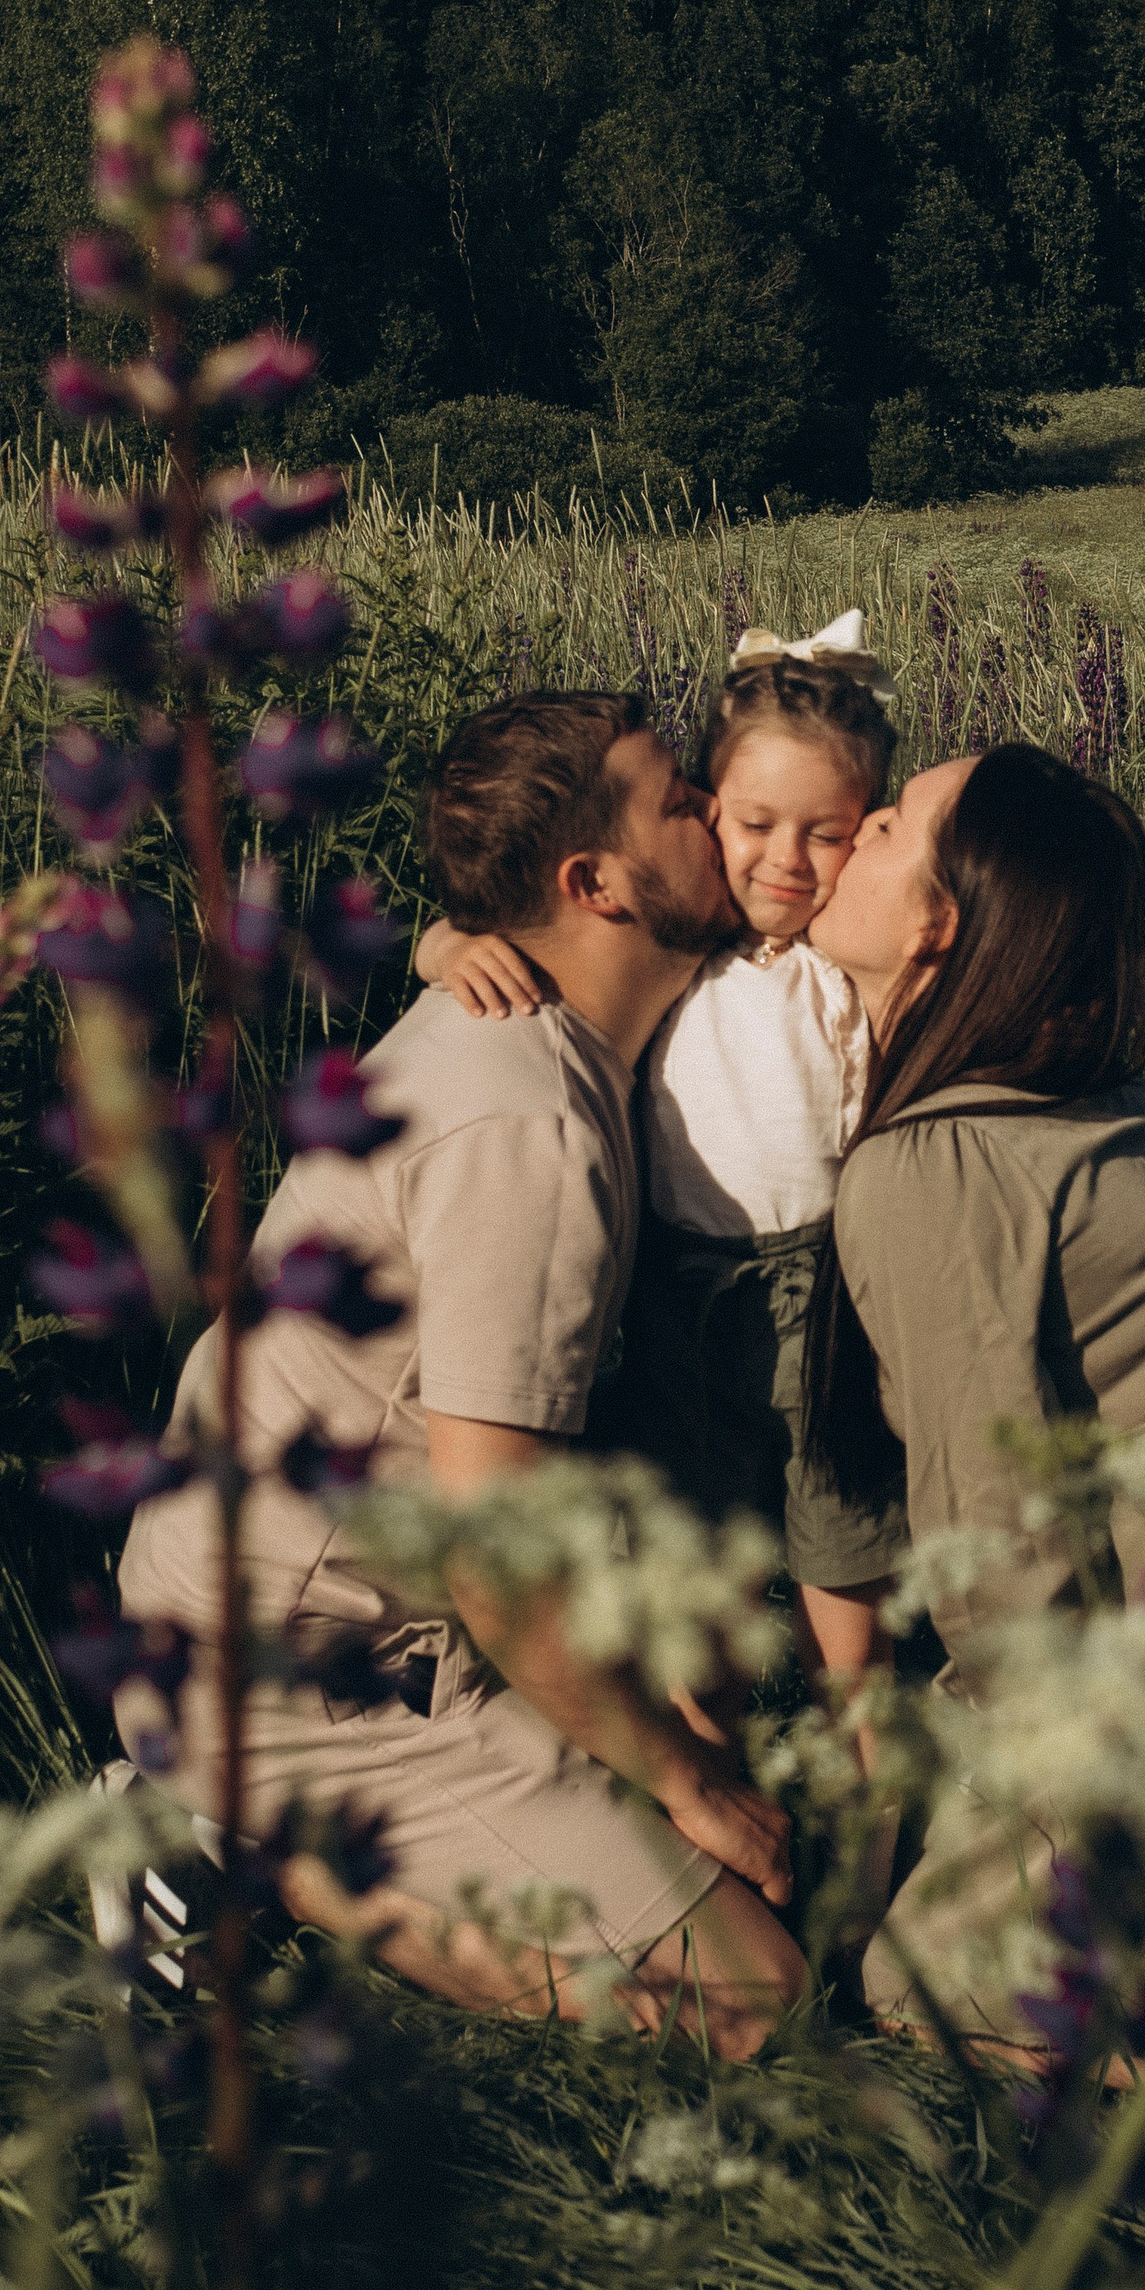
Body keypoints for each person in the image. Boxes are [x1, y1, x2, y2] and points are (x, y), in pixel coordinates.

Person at [115, 692, 807, 2055]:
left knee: (737, 1872)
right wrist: (683, 1777)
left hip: (356, 1616)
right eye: (680, 798)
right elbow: (497, 1557)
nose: (716, 812)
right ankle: (226, 1841)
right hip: (308, 1671)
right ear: (594, 883)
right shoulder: (528, 1125)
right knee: (758, 2001)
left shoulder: (548, 1024)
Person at [803, 740, 1145, 2025]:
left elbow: (998, 1542)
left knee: (920, 1998)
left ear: (938, 930)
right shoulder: (1087, 1097)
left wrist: (1053, 1820)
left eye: (887, 825)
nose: (851, 826)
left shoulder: (938, 1166)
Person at [420, 612, 909, 1729]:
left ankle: (866, 1763)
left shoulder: (841, 956)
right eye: (749, 821)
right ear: (708, 808)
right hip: (678, 1290)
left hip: (831, 1282)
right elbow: (520, 933)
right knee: (699, 1566)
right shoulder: (687, 937)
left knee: (843, 1553)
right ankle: (713, 1762)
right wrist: (444, 945)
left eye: (826, 834)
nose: (785, 860)